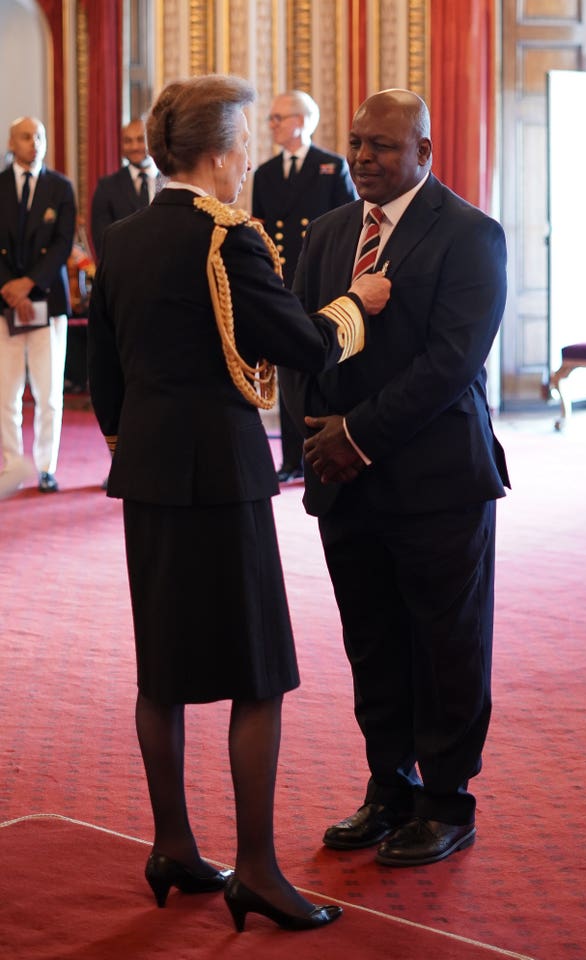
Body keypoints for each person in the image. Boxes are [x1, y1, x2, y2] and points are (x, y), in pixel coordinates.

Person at [87, 74, 390, 930]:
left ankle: (174, 844)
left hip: (146, 476)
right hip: (220, 477)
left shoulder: (124, 237)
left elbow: (106, 381)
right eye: (244, 139)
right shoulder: (228, 239)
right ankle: (254, 868)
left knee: (165, 670)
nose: (248, 154)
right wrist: (356, 305)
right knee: (259, 675)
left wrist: (136, 436)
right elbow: (299, 345)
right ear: (220, 153)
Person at [280, 88, 510, 868]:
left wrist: (358, 434)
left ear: (424, 152)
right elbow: (305, 346)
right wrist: (313, 443)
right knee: (372, 641)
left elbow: (451, 364)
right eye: (356, 143)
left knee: (446, 644)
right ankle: (389, 787)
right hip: (345, 481)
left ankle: (447, 801)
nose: (365, 158)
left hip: (437, 482)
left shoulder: (473, 235)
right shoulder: (331, 230)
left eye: (382, 145)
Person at [252, 90, 356, 483]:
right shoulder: (264, 173)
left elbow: (346, 226)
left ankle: (322, 450)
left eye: (278, 118)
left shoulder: (330, 167)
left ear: (301, 121)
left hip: (319, 281)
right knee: (288, 369)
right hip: (282, 282)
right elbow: (261, 232)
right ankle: (290, 458)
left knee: (319, 364)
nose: (272, 125)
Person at [0, 116, 76, 497]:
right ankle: (13, 464)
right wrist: (10, 289)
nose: (35, 143)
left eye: (40, 136)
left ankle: (46, 466)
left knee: (48, 393)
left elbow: (63, 245)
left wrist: (29, 285)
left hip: (48, 300)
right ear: (12, 143)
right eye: (27, 137)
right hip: (4, 303)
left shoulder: (60, 187)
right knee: (6, 393)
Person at [90, 117, 163, 260]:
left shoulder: (170, 181)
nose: (134, 147)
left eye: (141, 139)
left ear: (153, 141)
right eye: (128, 141)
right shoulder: (106, 188)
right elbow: (103, 242)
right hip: (124, 271)